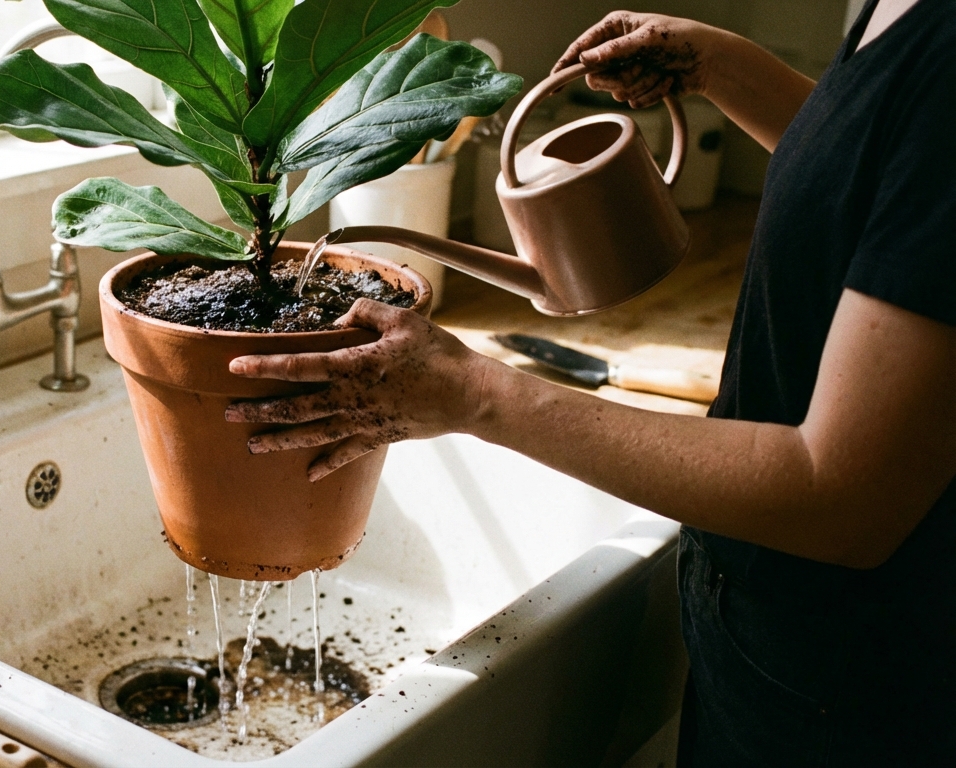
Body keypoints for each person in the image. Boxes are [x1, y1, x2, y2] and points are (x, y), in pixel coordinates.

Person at [224, 0, 956, 764]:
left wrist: (477, 392)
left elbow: (843, 498)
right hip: (781, 636)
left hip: (858, 689)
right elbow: (889, 177)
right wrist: (726, 68)